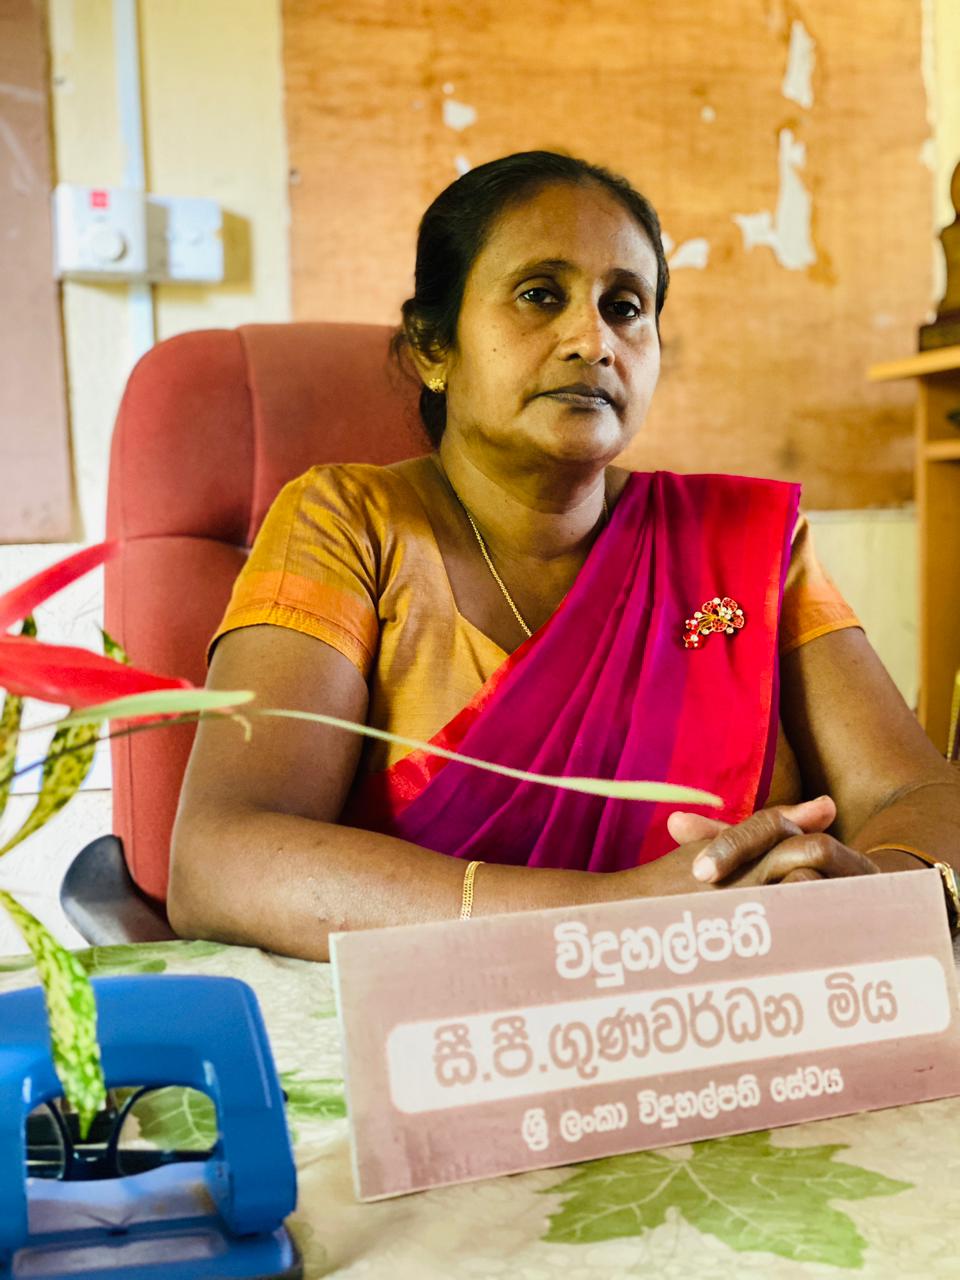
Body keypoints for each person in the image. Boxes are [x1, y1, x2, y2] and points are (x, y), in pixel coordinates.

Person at [167, 151, 960, 961]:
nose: (593, 340)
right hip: (452, 1021)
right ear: (434, 346)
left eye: (626, 307)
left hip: (741, 1006)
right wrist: (614, 916)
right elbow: (222, 860)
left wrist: (863, 895)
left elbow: (918, 791)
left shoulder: (745, 542)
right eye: (540, 295)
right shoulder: (350, 524)